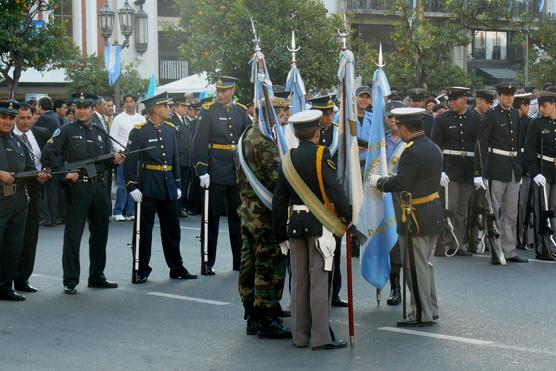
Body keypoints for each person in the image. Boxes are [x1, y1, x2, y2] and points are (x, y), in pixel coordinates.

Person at [272, 110, 351, 350]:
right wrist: (347, 214)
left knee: (298, 282)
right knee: (319, 281)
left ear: (295, 134)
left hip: (294, 224)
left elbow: (279, 199)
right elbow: (333, 187)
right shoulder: (321, 154)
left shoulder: (288, 158)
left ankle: (299, 335)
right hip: (319, 224)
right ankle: (320, 337)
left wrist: (279, 232)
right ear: (317, 132)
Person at [42, 93, 125, 295]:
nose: (82, 111)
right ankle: (70, 280)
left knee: (100, 235)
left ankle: (97, 276)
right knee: (73, 236)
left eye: (86, 107)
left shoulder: (99, 130)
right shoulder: (65, 131)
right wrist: (64, 172)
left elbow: (106, 160)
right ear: (74, 110)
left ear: (91, 109)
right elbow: (48, 154)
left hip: (99, 188)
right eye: (78, 108)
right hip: (77, 189)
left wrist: (115, 161)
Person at [370, 107, 443, 327]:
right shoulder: (432, 147)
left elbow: (402, 183)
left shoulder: (410, 151)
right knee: (425, 264)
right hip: (432, 210)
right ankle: (430, 307)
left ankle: (421, 313)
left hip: (416, 216)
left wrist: (379, 182)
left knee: (414, 267)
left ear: (404, 128)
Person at [124, 92, 197, 283]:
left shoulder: (170, 129)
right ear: (156, 108)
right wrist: (131, 186)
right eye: (166, 106)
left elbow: (174, 160)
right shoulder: (139, 131)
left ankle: (176, 267)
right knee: (143, 231)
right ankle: (141, 268)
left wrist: (178, 183)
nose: (169, 109)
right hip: (148, 186)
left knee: (172, 230)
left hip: (168, 186)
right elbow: (131, 161)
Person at [236, 107, 291, 339]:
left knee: (249, 261)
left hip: (248, 211)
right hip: (264, 214)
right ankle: (267, 315)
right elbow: (279, 179)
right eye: (281, 111)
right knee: (268, 263)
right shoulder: (265, 143)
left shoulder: (246, 135)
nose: (285, 115)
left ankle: (252, 313)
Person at [192, 76, 251, 275]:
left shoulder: (241, 111)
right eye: (218, 90)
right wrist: (202, 170)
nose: (220, 94)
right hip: (215, 171)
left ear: (232, 90)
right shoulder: (208, 111)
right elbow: (199, 141)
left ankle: (239, 260)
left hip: (235, 172)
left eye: (224, 91)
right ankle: (207, 261)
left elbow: (246, 141)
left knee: (238, 219)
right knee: (211, 219)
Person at [0, 100, 49, 301]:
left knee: (14, 244)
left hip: (18, 198)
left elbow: (30, 168)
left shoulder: (18, 141)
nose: (8, 121)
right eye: (4, 117)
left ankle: (5, 286)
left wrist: (40, 175)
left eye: (11, 118)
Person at [474, 82, 528, 264]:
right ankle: (495, 249)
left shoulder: (514, 114)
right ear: (498, 96)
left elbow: (519, 143)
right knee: (494, 210)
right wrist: (478, 172)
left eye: (511, 95)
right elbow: (481, 144)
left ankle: (509, 249)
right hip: (496, 166)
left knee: (511, 211)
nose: (509, 98)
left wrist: (520, 168)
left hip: (512, 167)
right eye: (505, 95)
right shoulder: (490, 115)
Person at [307, 94, 347, 307]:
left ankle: (334, 293)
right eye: (324, 113)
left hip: (332, 199)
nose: (329, 116)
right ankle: (312, 294)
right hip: (312, 198)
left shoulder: (339, 134)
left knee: (334, 249)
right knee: (313, 252)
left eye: (330, 112)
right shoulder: (307, 133)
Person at [431, 87, 479, 256]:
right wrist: (440, 170)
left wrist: (479, 172)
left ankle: (457, 243)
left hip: (468, 168)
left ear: (464, 99)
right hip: (450, 168)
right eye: (450, 100)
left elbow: (479, 146)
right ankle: (445, 242)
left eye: (455, 99)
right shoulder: (442, 119)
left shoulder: (475, 118)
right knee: (449, 207)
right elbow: (435, 146)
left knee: (462, 209)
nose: (451, 102)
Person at [12, 103, 51, 293]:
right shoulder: (7, 136)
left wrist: (47, 172)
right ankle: (5, 279)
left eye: (28, 118)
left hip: (35, 190)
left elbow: (51, 158)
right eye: (21, 118)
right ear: (14, 118)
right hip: (11, 191)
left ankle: (22, 279)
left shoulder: (42, 134)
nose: (25, 122)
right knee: (11, 237)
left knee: (30, 237)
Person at [524, 91, 556, 259]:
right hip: (543, 169)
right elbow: (529, 151)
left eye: (545, 106)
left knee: (554, 210)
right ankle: (543, 247)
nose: (541, 109)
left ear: (554, 105)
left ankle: (554, 244)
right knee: (542, 210)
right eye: (540, 106)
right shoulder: (536, 124)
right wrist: (534, 173)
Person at [383, 100, 405, 305]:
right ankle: (395, 287)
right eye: (390, 117)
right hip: (386, 197)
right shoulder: (379, 142)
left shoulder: (410, 142)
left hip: (406, 196)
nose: (393, 120)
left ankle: (414, 289)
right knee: (392, 243)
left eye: (396, 117)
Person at [109, 94, 145, 221]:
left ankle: (130, 212)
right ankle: (118, 211)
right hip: (123, 156)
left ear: (135, 103)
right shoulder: (118, 118)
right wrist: (119, 152)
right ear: (123, 104)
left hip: (137, 157)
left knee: (134, 184)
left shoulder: (141, 119)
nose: (129, 104)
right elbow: (112, 137)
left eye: (131, 101)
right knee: (121, 184)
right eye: (127, 102)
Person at [35, 96, 62, 227]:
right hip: (55, 157)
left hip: (48, 158)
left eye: (37, 106)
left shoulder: (44, 119)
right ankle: (53, 216)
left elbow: (35, 135)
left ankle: (49, 217)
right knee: (52, 190)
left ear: (40, 107)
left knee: (48, 190)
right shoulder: (54, 117)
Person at [513, 93, 533, 250]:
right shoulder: (527, 122)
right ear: (523, 106)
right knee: (521, 205)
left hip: (516, 167)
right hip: (522, 169)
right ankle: (520, 238)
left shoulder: (514, 120)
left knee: (518, 206)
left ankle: (519, 238)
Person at [171, 96, 194, 218]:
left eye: (186, 107)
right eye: (183, 106)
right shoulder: (172, 121)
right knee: (177, 184)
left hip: (187, 159)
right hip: (178, 159)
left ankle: (180, 206)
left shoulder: (186, 120)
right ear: (176, 107)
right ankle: (175, 207)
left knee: (184, 184)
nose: (186, 108)